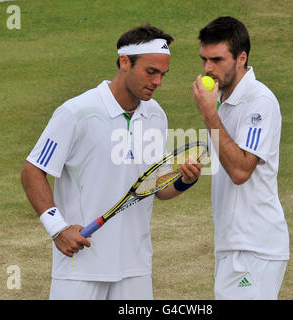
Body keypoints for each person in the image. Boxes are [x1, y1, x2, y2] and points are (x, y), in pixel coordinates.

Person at [21, 24, 202, 300]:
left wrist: (185, 180)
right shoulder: (76, 112)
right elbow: (32, 170)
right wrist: (57, 228)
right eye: (151, 72)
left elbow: (155, 186)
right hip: (80, 267)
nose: (158, 82)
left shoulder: (156, 116)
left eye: (163, 75)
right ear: (124, 62)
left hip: (135, 267)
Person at [192, 16, 289, 300]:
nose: (208, 69)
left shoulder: (260, 102)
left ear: (241, 58)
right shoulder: (223, 102)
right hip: (233, 246)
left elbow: (240, 171)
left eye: (217, 60)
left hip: (254, 247)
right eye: (204, 60)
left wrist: (209, 115)